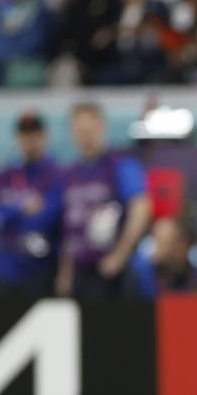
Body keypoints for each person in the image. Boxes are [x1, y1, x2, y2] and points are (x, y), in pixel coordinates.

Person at [56, 102, 152, 302]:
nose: (85, 136)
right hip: (81, 269)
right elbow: (69, 225)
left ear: (101, 127)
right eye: (80, 131)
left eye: (89, 130)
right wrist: (66, 270)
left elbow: (141, 206)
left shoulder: (119, 164)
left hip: (111, 269)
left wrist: (120, 254)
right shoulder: (71, 174)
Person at [0, 112, 62, 301]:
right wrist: (19, 208)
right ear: (17, 137)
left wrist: (32, 211)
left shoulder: (56, 174)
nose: (30, 139)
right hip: (6, 268)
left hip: (43, 267)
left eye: (35, 134)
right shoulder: (3, 176)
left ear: (44, 136)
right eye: (25, 134)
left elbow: (53, 214)